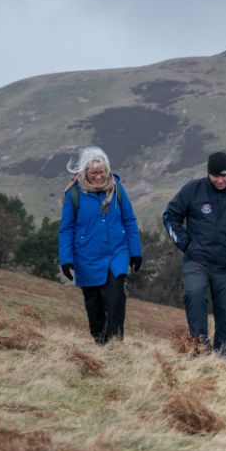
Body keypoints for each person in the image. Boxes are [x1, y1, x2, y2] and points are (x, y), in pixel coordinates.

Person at [162, 151, 226, 358]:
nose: (219, 180)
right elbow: (170, 216)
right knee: (194, 294)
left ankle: (223, 357)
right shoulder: (193, 190)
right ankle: (200, 347)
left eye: (224, 176)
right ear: (208, 173)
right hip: (197, 260)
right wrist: (186, 244)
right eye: (215, 175)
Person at [58, 146, 142, 343]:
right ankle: (99, 340)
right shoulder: (74, 194)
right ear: (85, 172)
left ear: (107, 170)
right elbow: (66, 229)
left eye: (101, 172)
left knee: (115, 297)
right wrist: (66, 259)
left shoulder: (117, 189)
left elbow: (129, 220)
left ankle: (115, 342)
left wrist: (135, 252)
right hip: (86, 257)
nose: (98, 177)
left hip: (116, 253)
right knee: (94, 304)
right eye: (93, 173)